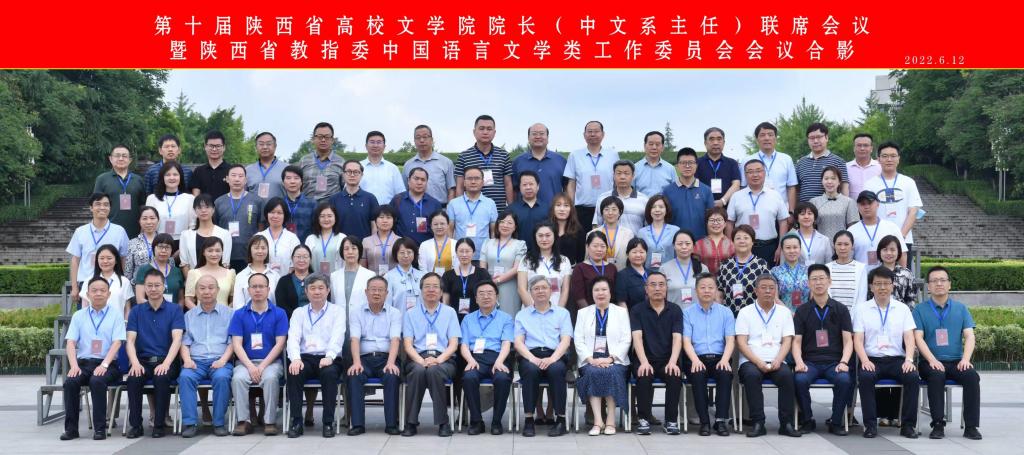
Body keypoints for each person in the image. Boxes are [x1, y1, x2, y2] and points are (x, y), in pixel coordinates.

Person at [913, 266, 983, 440]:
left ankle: (971, 426)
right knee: (936, 375)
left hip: (957, 361)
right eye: (934, 281)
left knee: (972, 376)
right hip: (929, 362)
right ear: (929, 286)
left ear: (949, 284)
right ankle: (938, 424)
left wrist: (966, 359)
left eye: (942, 280)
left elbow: (970, 335)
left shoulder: (961, 309)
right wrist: (932, 360)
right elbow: (918, 338)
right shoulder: (920, 310)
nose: (939, 283)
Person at [853, 267, 920, 439]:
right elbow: (858, 340)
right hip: (872, 359)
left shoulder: (902, 309)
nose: (882, 287)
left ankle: (908, 426)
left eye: (886, 283)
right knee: (866, 377)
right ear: (871, 287)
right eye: (878, 284)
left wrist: (909, 360)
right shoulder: (862, 309)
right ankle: (870, 425)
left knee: (912, 377)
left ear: (892, 286)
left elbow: (909, 337)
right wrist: (864, 361)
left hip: (897, 360)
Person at [59, 276, 126, 441]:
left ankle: (100, 429)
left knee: (97, 381)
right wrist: (74, 366)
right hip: (83, 364)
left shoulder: (116, 315)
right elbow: (70, 342)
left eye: (102, 290)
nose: (98, 293)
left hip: (109, 364)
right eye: (94, 290)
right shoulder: (79, 316)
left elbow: (117, 342)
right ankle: (71, 429)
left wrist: (104, 365)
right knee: (70, 382)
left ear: (109, 294)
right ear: (87, 294)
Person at [735, 274, 801, 438]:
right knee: (751, 376)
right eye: (763, 287)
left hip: (777, 359)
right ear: (756, 290)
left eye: (772, 288)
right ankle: (758, 422)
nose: (768, 291)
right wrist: (758, 362)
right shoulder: (745, 312)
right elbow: (741, 343)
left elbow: (787, 340)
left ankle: (786, 423)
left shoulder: (784, 312)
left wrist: (779, 359)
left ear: (776, 291)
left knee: (787, 376)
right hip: (751, 360)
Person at [792, 264, 854, 436]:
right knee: (799, 380)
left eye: (821, 278)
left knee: (844, 380)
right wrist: (799, 362)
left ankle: (836, 422)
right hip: (810, 362)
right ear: (808, 283)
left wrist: (844, 362)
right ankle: (807, 420)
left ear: (829, 281)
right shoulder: (802, 311)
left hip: (834, 362)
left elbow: (848, 341)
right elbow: (796, 342)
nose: (818, 283)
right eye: (814, 279)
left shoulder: (841, 309)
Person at [125, 268, 185, 438]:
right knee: (133, 378)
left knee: (162, 376)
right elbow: (130, 341)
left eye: (157, 285)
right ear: (144, 287)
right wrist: (135, 363)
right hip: (142, 360)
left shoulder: (175, 310)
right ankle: (135, 425)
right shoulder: (136, 311)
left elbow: (177, 339)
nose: (153, 289)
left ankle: (159, 424)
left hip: (167, 360)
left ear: (164, 286)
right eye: (149, 285)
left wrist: (166, 363)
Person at [285, 273, 346, 438]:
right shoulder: (299, 313)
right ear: (306, 291)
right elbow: (293, 338)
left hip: (329, 357)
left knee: (329, 374)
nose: (317, 292)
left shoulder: (337, 311)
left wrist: (330, 356)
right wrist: (295, 359)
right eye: (312, 288)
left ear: (328, 290)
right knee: (294, 372)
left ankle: (328, 422)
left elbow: (338, 336)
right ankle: (296, 422)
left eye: (321, 288)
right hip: (305, 357)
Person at [401, 272, 461, 437]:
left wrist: (438, 360)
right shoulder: (410, 314)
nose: (431, 290)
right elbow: (408, 345)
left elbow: (453, 344)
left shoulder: (450, 312)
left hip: (444, 359)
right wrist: (421, 361)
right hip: (417, 358)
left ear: (441, 291)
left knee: (434, 370)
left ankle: (443, 422)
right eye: (427, 286)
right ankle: (411, 422)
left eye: (435, 286)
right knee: (418, 371)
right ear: (421, 290)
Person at [228, 273, 288, 436]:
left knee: (270, 378)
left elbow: (280, 344)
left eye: (261, 286)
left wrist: (261, 367)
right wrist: (250, 366)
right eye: (254, 286)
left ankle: (270, 421)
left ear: (268, 289)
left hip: (271, 363)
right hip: (245, 363)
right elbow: (236, 344)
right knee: (238, 379)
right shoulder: (239, 314)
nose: (258, 290)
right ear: (248, 290)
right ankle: (243, 421)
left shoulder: (279, 313)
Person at [514, 275, 573, 437]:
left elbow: (566, 340)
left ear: (551, 291)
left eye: (544, 288)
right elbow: (518, 343)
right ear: (530, 292)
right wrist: (532, 359)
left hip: (555, 354)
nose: (540, 291)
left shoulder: (562, 313)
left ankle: (560, 419)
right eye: (536, 288)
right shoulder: (522, 315)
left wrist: (552, 359)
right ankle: (529, 420)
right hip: (530, 355)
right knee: (530, 370)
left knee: (556, 370)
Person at [178, 275, 235, 438]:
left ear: (218, 290)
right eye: (202, 288)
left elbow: (233, 342)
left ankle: (219, 423)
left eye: (211, 288)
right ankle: (190, 423)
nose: (206, 292)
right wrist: (187, 360)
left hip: (221, 360)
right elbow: (185, 343)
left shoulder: (230, 314)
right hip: (196, 361)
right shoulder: (189, 315)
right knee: (185, 377)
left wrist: (223, 360)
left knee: (222, 378)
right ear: (196, 292)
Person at [347, 275, 403, 436]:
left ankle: (391, 424)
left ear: (386, 293)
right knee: (354, 375)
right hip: (364, 358)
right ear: (366, 292)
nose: (376, 293)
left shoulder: (395, 313)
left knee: (392, 376)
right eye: (373, 290)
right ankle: (358, 424)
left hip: (387, 358)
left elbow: (395, 339)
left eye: (380, 290)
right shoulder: (356, 312)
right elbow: (355, 339)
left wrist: (391, 363)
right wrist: (356, 362)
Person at [575, 277, 631, 436]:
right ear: (592, 293)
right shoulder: (583, 313)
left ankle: (611, 420)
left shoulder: (621, 312)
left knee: (611, 372)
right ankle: (598, 421)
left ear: (610, 292)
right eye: (597, 290)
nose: (600, 293)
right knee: (593, 372)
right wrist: (590, 359)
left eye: (604, 289)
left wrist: (611, 358)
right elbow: (578, 340)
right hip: (590, 359)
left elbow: (626, 339)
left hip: (615, 359)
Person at [682, 272, 735, 437]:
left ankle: (720, 420)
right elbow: (686, 341)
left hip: (720, 357)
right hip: (696, 357)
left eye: (710, 287)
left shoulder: (726, 312)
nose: (707, 291)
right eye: (703, 287)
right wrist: (695, 360)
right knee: (697, 375)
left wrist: (725, 360)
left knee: (725, 374)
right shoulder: (687, 313)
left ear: (716, 290)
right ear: (696, 291)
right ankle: (704, 421)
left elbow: (730, 340)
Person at [630, 272, 683, 435]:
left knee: (674, 375)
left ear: (666, 288)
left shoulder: (675, 310)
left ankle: (671, 420)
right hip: (645, 358)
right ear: (646, 289)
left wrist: (673, 361)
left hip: (668, 359)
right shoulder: (637, 310)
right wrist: (644, 362)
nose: (657, 288)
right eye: (653, 285)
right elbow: (637, 337)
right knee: (644, 374)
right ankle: (643, 419)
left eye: (661, 284)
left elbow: (677, 338)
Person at [459, 281, 515, 435]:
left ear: (497, 297)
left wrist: (499, 361)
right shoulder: (468, 319)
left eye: (490, 293)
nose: (486, 296)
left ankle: (496, 421)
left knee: (502, 378)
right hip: (475, 357)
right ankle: (477, 421)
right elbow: (464, 345)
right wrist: (470, 360)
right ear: (476, 299)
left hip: (498, 356)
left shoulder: (506, 318)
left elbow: (506, 343)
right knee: (469, 377)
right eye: (481, 293)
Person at [68, 193, 130, 303]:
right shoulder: (80, 231)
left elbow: (123, 258)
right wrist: (74, 287)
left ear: (110, 208)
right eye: (98, 204)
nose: (102, 207)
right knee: (86, 314)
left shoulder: (119, 231)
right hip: (86, 285)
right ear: (91, 207)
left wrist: (121, 280)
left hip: (112, 285)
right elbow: (75, 260)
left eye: (106, 204)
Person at [863, 141, 923, 253]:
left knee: (903, 266)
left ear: (898, 158)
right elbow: (866, 211)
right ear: (878, 159)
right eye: (885, 156)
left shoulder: (908, 182)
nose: (889, 159)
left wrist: (901, 236)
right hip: (877, 240)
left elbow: (913, 211)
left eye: (893, 156)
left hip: (904, 240)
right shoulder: (869, 184)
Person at [729, 159, 790, 266]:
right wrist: (731, 246)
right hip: (742, 248)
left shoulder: (775, 195)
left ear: (764, 173)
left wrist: (780, 247)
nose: (755, 175)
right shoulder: (736, 196)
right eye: (750, 172)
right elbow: (729, 223)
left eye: (758, 171)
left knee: (768, 276)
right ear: (745, 175)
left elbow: (783, 222)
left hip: (769, 248)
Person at [455, 114, 514, 212]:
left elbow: (508, 185)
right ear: (474, 132)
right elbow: (460, 186)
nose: (485, 132)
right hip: (471, 211)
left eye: (489, 129)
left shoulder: (504, 155)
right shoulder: (463, 156)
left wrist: (511, 210)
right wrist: (460, 209)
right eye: (481, 128)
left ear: (494, 132)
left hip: (499, 211)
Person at [564, 120, 618, 226]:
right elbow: (571, 183)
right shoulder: (575, 155)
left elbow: (616, 180)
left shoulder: (612, 154)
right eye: (589, 131)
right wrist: (571, 206)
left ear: (603, 134)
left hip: (608, 208)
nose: (593, 134)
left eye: (596, 131)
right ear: (584, 135)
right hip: (582, 210)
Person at [214, 164, 265, 272]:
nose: (237, 179)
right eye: (233, 175)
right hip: (225, 254)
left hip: (250, 255)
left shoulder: (257, 201)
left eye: (241, 176)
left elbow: (261, 227)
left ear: (245, 180)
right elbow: (215, 228)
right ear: (227, 179)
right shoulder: (218, 202)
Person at [742, 122, 799, 210]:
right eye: (762, 135)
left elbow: (791, 187)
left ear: (775, 139)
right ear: (757, 140)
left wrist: (791, 211)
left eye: (770, 135)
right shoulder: (747, 160)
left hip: (782, 210)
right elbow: (743, 186)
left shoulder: (786, 159)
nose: (767, 138)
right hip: (755, 209)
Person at [517, 222, 573, 310]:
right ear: (535, 238)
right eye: (540, 236)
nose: (544, 239)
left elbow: (565, 290)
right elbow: (521, 289)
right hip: (531, 311)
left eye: (548, 235)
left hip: (555, 310)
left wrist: (559, 312)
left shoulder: (564, 261)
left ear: (554, 237)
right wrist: (534, 311)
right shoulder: (526, 259)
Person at [447, 166, 499, 261]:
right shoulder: (453, 204)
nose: (473, 181)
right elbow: (449, 230)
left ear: (482, 182)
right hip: (460, 256)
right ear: (464, 182)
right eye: (469, 178)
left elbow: (493, 231)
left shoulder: (490, 203)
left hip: (483, 256)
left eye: (477, 178)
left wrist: (492, 252)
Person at [94, 145, 146, 238]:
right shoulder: (102, 179)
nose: (121, 158)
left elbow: (143, 205)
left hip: (135, 232)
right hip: (109, 231)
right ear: (110, 159)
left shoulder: (138, 180)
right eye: (117, 155)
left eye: (124, 156)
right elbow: (96, 205)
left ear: (130, 160)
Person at [716, 225, 771, 314]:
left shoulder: (761, 264)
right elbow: (719, 293)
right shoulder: (725, 265)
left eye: (746, 238)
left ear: (752, 242)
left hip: (754, 316)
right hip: (729, 316)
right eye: (738, 238)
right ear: (733, 242)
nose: (742, 241)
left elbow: (768, 293)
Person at [664, 148, 715, 240]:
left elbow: (711, 219)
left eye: (691, 162)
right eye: (683, 163)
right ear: (677, 166)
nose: (687, 166)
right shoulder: (668, 191)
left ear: (696, 165)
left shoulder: (706, 190)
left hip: (701, 242)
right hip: (676, 242)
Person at [481, 212, 527, 315]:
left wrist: (498, 280)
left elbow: (517, 268)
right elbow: (483, 266)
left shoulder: (520, 244)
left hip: (510, 286)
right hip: (489, 285)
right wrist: (489, 282)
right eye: (502, 222)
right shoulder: (487, 243)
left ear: (515, 227)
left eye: (509, 223)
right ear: (497, 224)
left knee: (509, 315)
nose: (505, 225)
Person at [569, 231, 618, 323]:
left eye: (602, 246)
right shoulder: (580, 268)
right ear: (587, 247)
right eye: (595, 246)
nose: (599, 249)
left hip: (610, 316)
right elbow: (579, 297)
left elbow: (615, 294)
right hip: (587, 316)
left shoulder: (612, 268)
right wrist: (593, 315)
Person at [512, 123, 567, 204]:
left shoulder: (561, 161)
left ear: (547, 138)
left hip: (553, 210)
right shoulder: (517, 162)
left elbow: (567, 188)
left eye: (541, 134)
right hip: (525, 211)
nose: (538, 137)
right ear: (528, 138)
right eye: (534, 134)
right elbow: (514, 190)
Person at [179, 194, 233, 276]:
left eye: (207, 207)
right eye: (199, 208)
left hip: (218, 280)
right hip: (194, 279)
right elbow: (184, 263)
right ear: (194, 211)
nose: (203, 210)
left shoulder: (225, 234)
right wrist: (192, 281)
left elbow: (225, 263)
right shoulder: (185, 235)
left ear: (213, 209)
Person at [796, 122, 850, 202]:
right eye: (811, 138)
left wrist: (845, 206)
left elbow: (844, 187)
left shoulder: (838, 161)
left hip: (830, 208)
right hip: (805, 209)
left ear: (826, 138)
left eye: (819, 137)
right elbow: (796, 190)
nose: (815, 141)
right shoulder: (800, 163)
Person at [851, 191, 906, 267]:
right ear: (858, 206)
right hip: (861, 273)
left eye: (870, 203)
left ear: (877, 204)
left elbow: (902, 253)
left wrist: (902, 272)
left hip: (886, 273)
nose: (866, 207)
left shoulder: (892, 227)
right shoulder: (851, 231)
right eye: (863, 204)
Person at [591, 160, 649, 233]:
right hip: (608, 240)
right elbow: (596, 225)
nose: (622, 177)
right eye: (619, 173)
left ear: (633, 176)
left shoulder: (644, 199)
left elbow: (648, 227)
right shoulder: (603, 198)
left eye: (626, 173)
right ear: (613, 175)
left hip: (635, 240)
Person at [403, 124, 456, 203]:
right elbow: (404, 190)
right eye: (418, 137)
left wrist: (449, 208)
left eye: (425, 137)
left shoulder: (446, 162)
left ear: (432, 140)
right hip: (414, 208)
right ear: (414, 141)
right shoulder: (408, 165)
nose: (421, 140)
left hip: (440, 209)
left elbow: (451, 190)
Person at [77, 245, 133, 319]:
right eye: (102, 258)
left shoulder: (124, 282)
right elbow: (84, 307)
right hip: (93, 324)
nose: (105, 261)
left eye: (109, 258)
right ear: (97, 260)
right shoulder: (89, 280)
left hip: (117, 324)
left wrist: (125, 324)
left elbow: (127, 309)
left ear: (116, 260)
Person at [391, 167, 443, 245]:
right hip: (401, 248)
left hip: (425, 248)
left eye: (423, 180)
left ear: (426, 182)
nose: (419, 182)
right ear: (408, 180)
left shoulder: (435, 204)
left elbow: (439, 228)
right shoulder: (397, 200)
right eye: (416, 179)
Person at [442, 238, 492, 319]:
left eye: (467, 251)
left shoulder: (482, 274)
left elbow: (488, 298)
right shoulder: (448, 275)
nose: (464, 255)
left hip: (478, 318)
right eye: (461, 251)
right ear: (456, 253)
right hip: (454, 319)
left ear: (473, 253)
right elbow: (445, 303)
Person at [330, 159, 379, 240]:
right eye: (349, 171)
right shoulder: (334, 199)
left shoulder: (370, 198)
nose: (352, 175)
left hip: (364, 245)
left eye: (356, 172)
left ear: (361, 175)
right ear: (343, 174)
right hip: (339, 245)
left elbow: (374, 226)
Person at [183, 237, 236, 310]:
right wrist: (200, 313)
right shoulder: (193, 273)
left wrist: (226, 312)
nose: (214, 254)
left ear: (222, 252)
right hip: (200, 315)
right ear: (203, 253)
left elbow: (234, 299)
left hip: (225, 315)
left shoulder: (230, 273)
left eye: (218, 251)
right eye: (210, 251)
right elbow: (188, 300)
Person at [810, 165, 860, 242]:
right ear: (822, 181)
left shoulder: (849, 202)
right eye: (826, 178)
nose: (829, 182)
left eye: (833, 178)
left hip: (842, 245)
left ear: (839, 182)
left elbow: (854, 228)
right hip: (820, 244)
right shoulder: (814, 202)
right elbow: (810, 227)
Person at [133, 233, 184, 308]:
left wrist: (176, 312)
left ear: (171, 250)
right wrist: (161, 309)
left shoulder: (177, 271)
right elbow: (140, 299)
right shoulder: (144, 270)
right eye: (160, 247)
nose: (163, 250)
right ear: (154, 248)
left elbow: (181, 299)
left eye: (167, 247)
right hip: (150, 312)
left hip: (173, 313)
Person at [330, 237, 376, 316]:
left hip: (362, 320)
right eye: (346, 249)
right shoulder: (334, 276)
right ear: (342, 252)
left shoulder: (370, 275)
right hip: (339, 320)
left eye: (354, 248)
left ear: (359, 251)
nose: (350, 252)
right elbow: (333, 302)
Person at [299, 122, 345, 202]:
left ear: (332, 140)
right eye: (320, 137)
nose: (323, 140)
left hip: (331, 208)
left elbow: (345, 188)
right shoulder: (304, 161)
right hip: (307, 207)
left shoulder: (341, 162)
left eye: (327, 137)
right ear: (313, 139)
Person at [696, 127, 741, 206]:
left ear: (724, 142)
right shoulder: (696, 163)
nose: (715, 143)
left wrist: (723, 201)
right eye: (711, 139)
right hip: (702, 206)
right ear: (705, 143)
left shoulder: (732, 163)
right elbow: (693, 185)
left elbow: (736, 184)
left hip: (727, 208)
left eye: (719, 139)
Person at [663, 230, 709, 310]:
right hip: (673, 314)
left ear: (693, 246)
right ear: (674, 246)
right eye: (680, 244)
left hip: (698, 314)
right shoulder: (664, 268)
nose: (684, 247)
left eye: (687, 244)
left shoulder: (703, 268)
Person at [256, 197, 302, 275]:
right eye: (272, 212)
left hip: (286, 280)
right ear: (267, 214)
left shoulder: (292, 238)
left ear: (285, 215)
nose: (275, 216)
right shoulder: (258, 237)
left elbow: (295, 265)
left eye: (279, 213)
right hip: (262, 280)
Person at [383, 238, 426, 321]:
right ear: (395, 254)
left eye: (409, 252)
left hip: (420, 323)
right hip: (398, 323)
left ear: (414, 253)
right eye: (402, 253)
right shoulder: (389, 277)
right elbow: (387, 304)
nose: (406, 256)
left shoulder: (422, 276)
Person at [868, 235, 918, 305]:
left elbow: (911, 299)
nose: (888, 253)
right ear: (879, 252)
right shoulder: (874, 274)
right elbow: (869, 297)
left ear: (898, 252)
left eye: (892, 250)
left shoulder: (906, 274)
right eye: (885, 249)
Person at [234, 235, 281, 310]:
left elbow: (279, 304)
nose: (260, 251)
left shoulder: (275, 276)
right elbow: (238, 306)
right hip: (247, 317)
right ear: (250, 250)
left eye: (263, 248)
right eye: (256, 248)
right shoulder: (241, 276)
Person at [359, 131, 406, 204]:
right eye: (372, 142)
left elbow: (400, 194)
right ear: (366, 146)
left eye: (379, 142)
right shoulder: (357, 167)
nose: (375, 145)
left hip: (387, 210)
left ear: (384, 146)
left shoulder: (393, 168)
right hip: (362, 210)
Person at [507, 170, 550, 248]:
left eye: (531, 184)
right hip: (518, 252)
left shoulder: (548, 208)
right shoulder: (511, 209)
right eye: (524, 185)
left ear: (538, 186)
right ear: (519, 187)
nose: (528, 187)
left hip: (542, 251)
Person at [589, 196, 635, 270]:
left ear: (620, 212)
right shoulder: (592, 233)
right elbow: (588, 258)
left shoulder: (628, 233)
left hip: (621, 272)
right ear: (602, 213)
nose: (610, 213)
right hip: (598, 273)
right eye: (606, 209)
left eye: (614, 209)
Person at [826, 230, 869, 309]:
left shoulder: (861, 268)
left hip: (854, 315)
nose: (842, 248)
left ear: (852, 246)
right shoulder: (827, 268)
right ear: (834, 246)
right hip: (831, 314)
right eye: (839, 244)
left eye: (846, 244)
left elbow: (862, 297)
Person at [636, 195, 679, 271]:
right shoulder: (642, 232)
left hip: (670, 272)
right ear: (649, 210)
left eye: (661, 207)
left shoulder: (675, 230)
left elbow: (678, 255)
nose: (657, 210)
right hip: (648, 273)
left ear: (666, 210)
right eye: (653, 207)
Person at [771, 233, 810, 310]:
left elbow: (813, 296)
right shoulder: (775, 272)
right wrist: (789, 313)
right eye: (788, 248)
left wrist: (803, 313)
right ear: (782, 250)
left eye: (795, 247)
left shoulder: (808, 270)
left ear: (800, 249)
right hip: (783, 313)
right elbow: (775, 298)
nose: (792, 251)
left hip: (806, 313)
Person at [274, 244, 315, 317]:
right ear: (292, 259)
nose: (301, 260)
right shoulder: (283, 281)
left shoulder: (318, 280)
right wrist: (296, 318)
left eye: (305, 257)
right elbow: (281, 306)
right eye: (298, 257)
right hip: (291, 320)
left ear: (310, 259)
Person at [304, 203, 345, 275]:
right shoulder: (310, 238)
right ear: (318, 218)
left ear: (335, 218)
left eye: (329, 216)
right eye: (322, 216)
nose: (326, 219)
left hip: (337, 279)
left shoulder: (342, 237)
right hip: (314, 280)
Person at [190, 131, 231, 200]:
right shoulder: (198, 171)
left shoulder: (231, 171)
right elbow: (196, 199)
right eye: (211, 146)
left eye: (218, 146)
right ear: (205, 146)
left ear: (224, 147)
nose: (214, 149)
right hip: (203, 207)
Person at [363, 205, 403, 276]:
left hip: (395, 279)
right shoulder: (366, 241)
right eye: (381, 217)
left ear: (393, 220)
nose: (385, 221)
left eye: (388, 217)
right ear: (375, 220)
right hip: (372, 279)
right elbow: (363, 267)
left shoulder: (400, 241)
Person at [634, 131, 677, 196]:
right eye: (651, 144)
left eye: (657, 144)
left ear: (662, 147)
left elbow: (675, 192)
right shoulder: (634, 168)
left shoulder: (670, 169)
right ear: (644, 146)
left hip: (663, 202)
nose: (654, 147)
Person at [790, 201, 834, 265]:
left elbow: (829, 264)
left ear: (814, 217)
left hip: (819, 271)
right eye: (802, 214)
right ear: (797, 218)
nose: (806, 217)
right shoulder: (789, 238)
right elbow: (784, 265)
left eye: (809, 213)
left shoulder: (824, 240)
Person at [694, 206, 734, 275]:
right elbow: (695, 266)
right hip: (705, 280)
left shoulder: (732, 244)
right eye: (712, 220)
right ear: (707, 223)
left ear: (725, 223)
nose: (715, 223)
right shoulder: (698, 244)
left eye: (719, 220)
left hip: (727, 279)